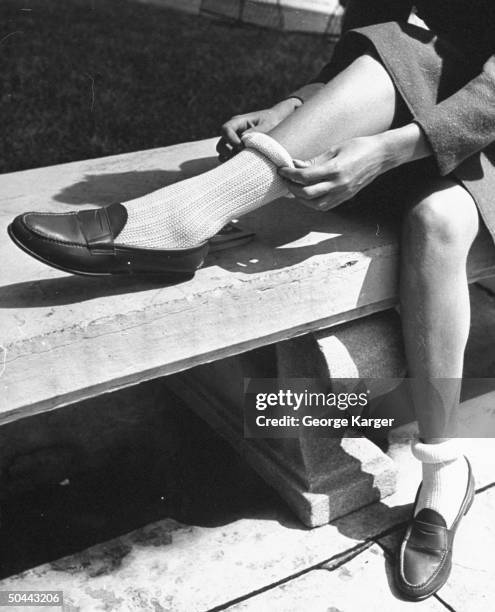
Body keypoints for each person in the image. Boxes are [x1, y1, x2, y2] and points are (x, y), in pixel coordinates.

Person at [8, 0, 494, 600]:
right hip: (430, 120)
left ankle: (446, 475)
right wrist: (299, 105)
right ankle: (197, 208)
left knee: (438, 220)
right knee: (406, 45)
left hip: (478, 130)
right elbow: (378, 45)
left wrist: (392, 150)